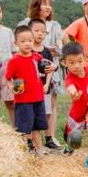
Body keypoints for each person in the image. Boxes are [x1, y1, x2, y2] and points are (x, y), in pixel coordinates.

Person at [18, 0, 64, 149]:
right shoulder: (25, 23)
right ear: (36, 5)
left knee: (51, 104)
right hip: (30, 70)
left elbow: (61, 46)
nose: (48, 7)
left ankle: (50, 137)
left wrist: (55, 50)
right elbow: (18, 43)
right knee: (29, 104)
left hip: (51, 68)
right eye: (45, 4)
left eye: (50, 4)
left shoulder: (55, 25)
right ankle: (29, 138)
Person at [5, 25, 50, 154]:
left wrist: (49, 74)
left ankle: (40, 149)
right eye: (23, 41)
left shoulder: (37, 57)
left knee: (37, 126)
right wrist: (11, 87)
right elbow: (8, 78)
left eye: (30, 40)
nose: (27, 44)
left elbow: (49, 67)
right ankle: (23, 151)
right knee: (24, 128)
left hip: (38, 97)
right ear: (16, 43)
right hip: (23, 100)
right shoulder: (14, 61)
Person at [60, 42, 88, 169]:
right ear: (64, 63)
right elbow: (70, 88)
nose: (77, 65)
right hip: (77, 113)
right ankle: (70, 147)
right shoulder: (69, 79)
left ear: (84, 59)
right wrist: (74, 95)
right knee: (74, 139)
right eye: (72, 62)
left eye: (80, 61)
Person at [30, 19, 60, 150]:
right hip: (31, 89)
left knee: (47, 112)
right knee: (31, 114)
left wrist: (47, 84)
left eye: (43, 31)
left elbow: (50, 68)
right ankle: (31, 140)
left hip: (45, 88)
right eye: (36, 31)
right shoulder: (28, 50)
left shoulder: (47, 51)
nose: (40, 34)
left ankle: (48, 138)